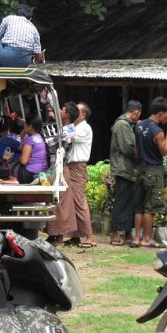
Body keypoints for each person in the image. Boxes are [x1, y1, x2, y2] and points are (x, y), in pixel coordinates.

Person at [130, 96, 167, 249]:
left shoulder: (140, 126)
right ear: (160, 113)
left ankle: (136, 237)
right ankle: (147, 238)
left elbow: (136, 148)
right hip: (154, 170)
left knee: (139, 206)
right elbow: (163, 151)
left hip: (140, 168)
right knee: (151, 207)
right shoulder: (158, 131)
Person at [109, 100, 143, 247]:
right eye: (138, 114)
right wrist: (140, 157)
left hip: (129, 170)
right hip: (123, 169)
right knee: (121, 201)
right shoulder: (122, 125)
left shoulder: (128, 125)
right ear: (135, 112)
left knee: (130, 203)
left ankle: (127, 233)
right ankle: (114, 233)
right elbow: (128, 148)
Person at [45, 102, 78, 245]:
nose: (59, 111)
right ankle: (53, 233)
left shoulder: (70, 130)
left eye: (62, 110)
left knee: (60, 202)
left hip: (60, 168)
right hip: (54, 167)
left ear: (67, 115)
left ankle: (59, 235)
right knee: (53, 200)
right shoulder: (62, 127)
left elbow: (52, 142)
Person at [64, 102, 97, 248]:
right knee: (71, 200)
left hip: (78, 166)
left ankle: (90, 236)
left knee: (79, 200)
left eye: (75, 111)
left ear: (82, 115)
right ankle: (75, 235)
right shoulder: (77, 127)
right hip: (71, 166)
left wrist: (64, 118)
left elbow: (69, 134)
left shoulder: (85, 128)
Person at [0, 4, 43, 68]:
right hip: (24, 63)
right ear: (30, 18)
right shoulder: (34, 29)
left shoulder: (10, 18)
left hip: (8, 57)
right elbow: (38, 56)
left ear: (16, 14)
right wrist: (34, 65)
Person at [0, 116, 47, 185]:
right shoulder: (39, 137)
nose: (24, 126)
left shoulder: (30, 140)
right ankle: (15, 179)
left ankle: (13, 181)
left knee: (9, 163)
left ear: (30, 126)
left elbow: (24, 161)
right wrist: (25, 130)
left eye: (25, 124)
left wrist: (19, 158)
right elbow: (23, 143)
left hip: (30, 174)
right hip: (40, 172)